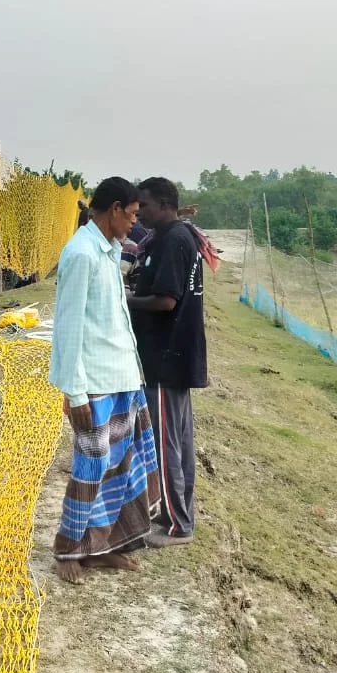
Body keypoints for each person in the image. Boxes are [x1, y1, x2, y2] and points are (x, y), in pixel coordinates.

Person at [48, 176, 162, 584]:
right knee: (92, 465)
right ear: (114, 209)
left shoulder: (109, 251)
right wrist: (73, 390)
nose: (134, 222)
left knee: (123, 466)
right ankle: (69, 549)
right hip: (93, 383)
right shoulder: (81, 254)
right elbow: (68, 327)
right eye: (131, 214)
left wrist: (134, 375)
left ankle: (104, 548)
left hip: (123, 378)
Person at [127, 177, 208, 547]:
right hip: (173, 354)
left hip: (166, 354)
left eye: (143, 205)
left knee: (165, 443)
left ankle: (178, 526)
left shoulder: (174, 239)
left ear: (163, 204)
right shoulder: (174, 236)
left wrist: (121, 299)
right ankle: (174, 513)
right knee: (176, 440)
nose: (139, 212)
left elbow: (166, 301)